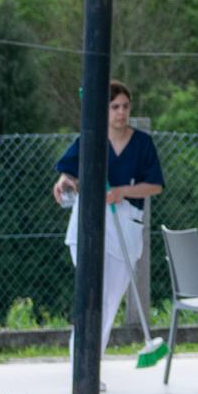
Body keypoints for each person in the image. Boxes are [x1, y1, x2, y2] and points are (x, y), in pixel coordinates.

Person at [55, 82, 164, 359]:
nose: (121, 112)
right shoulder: (89, 140)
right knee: (93, 297)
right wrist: (64, 182)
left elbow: (154, 186)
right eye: (115, 107)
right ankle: (82, 363)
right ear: (103, 110)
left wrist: (121, 192)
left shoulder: (142, 143)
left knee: (108, 300)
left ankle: (88, 363)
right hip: (89, 224)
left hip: (125, 224)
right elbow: (68, 174)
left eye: (125, 106)